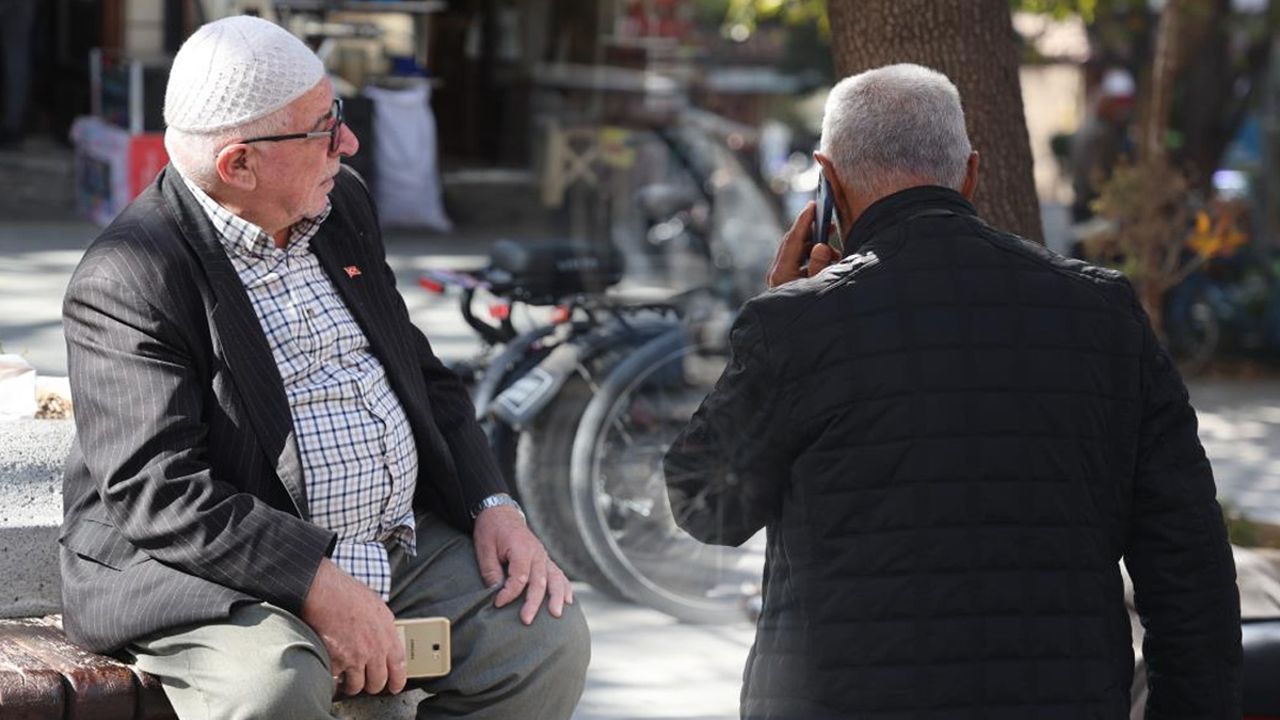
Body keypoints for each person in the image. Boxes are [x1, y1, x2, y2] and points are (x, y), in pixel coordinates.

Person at [664, 63, 1240, 719]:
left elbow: (703, 503)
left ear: (827, 183)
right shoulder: (1104, 315)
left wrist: (779, 311)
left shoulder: (796, 326)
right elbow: (1188, 564)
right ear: (969, 173)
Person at [60, 15, 588, 720]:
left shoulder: (338, 204)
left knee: (541, 640)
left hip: (392, 537)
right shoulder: (130, 274)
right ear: (238, 164)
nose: (349, 141)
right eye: (323, 127)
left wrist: (492, 504)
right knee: (274, 687)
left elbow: (420, 374)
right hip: (224, 572)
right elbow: (159, 492)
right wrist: (314, 577)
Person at [1070, 67, 1136, 224]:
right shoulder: (1098, 132)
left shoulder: (1108, 128)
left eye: (1127, 103)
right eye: (1119, 102)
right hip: (1090, 208)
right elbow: (1095, 177)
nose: (1124, 109)